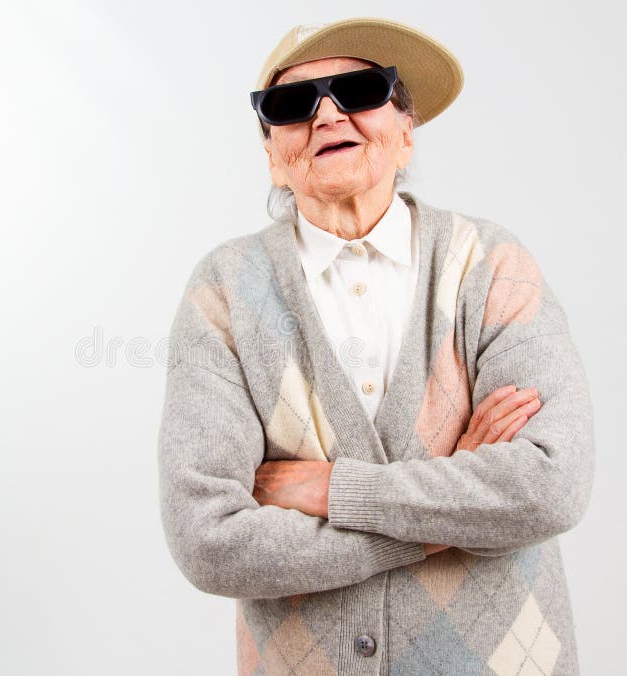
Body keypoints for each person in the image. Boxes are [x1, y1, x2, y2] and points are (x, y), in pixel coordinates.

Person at [157, 17, 594, 675]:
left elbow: (549, 486)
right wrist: (440, 520)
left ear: (406, 132)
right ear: (272, 156)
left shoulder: (492, 265)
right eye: (291, 104)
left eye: (358, 90)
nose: (329, 114)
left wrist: (333, 489)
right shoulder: (223, 292)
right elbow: (210, 542)